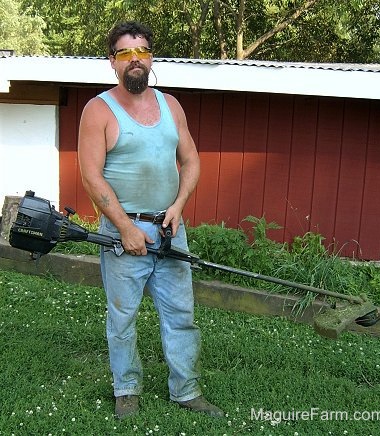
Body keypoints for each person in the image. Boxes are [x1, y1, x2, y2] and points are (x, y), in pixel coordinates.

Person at [78, 21, 224, 420]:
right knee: (122, 317)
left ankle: (187, 390)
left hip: (171, 229)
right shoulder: (98, 111)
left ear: (151, 57)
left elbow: (191, 160)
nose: (135, 59)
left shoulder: (170, 105)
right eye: (125, 53)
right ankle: (126, 388)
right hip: (122, 231)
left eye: (141, 51)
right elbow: (91, 177)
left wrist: (178, 207)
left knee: (181, 315)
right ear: (113, 62)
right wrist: (125, 228)